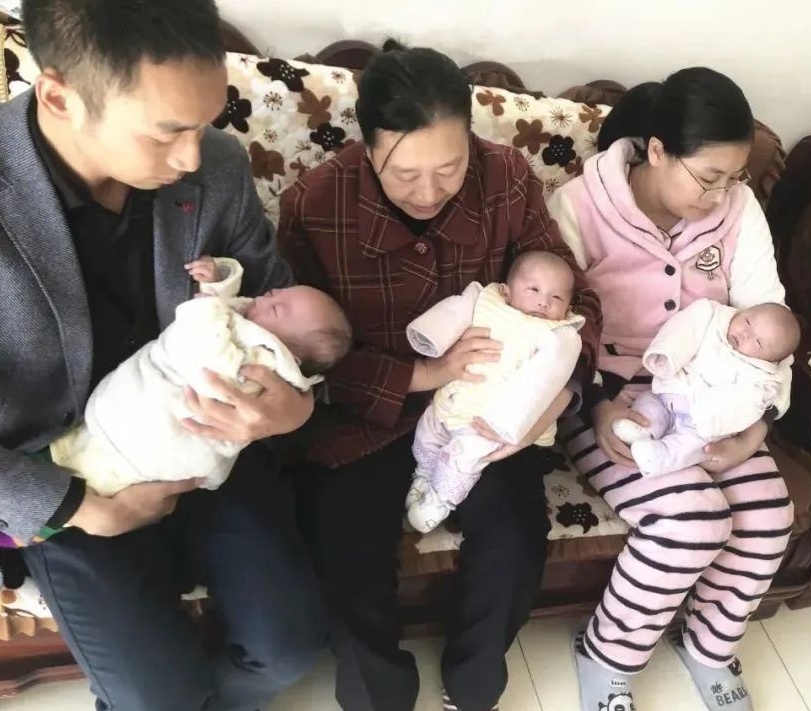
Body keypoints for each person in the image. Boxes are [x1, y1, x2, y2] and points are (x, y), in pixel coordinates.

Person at [0, 1, 328, 708]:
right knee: (157, 698)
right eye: (167, 131)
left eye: (204, 123)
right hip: (69, 469)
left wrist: (295, 407)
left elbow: (276, 300)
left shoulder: (215, 164)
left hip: (206, 440)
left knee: (289, 651)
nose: (192, 158)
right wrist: (82, 508)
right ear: (58, 96)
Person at [276, 41, 601, 711]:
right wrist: (423, 372)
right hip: (364, 416)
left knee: (514, 534)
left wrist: (555, 399)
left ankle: (472, 685)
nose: (428, 192)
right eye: (404, 174)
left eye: (449, 169)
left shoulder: (506, 177)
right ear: (368, 149)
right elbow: (297, 357)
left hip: (483, 408)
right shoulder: (315, 203)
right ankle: (380, 698)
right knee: (344, 549)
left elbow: (578, 300)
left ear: (471, 142)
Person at [547, 68, 796, 711]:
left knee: (769, 516)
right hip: (610, 394)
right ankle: (605, 655)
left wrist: (759, 425)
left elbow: (769, 312)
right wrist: (598, 405)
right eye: (708, 177)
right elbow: (555, 328)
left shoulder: (739, 208)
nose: (721, 195)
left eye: (734, 177)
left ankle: (707, 646)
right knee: (690, 521)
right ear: (657, 150)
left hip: (720, 390)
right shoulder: (578, 206)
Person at [51, 256, 352, 497]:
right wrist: (219, 282)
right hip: (119, 416)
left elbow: (205, 352)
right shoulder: (257, 330)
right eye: (280, 293)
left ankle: (48, 515)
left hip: (154, 436)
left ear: (288, 354)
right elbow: (231, 312)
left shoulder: (260, 362)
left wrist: (208, 300)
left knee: (90, 473)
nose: (269, 294)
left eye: (276, 308)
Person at [405, 251, 586, 533]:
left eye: (556, 298)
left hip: (490, 420)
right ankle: (424, 474)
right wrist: (431, 337)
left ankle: (440, 500)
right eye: (534, 290)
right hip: (453, 398)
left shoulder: (559, 335)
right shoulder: (486, 299)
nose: (544, 302)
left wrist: (512, 424)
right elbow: (455, 312)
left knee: (466, 456)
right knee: (428, 429)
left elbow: (545, 380)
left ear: (568, 307)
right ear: (506, 290)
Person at [613, 300, 799, 477]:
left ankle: (660, 456)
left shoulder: (762, 379)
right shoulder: (712, 316)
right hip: (670, 391)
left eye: (758, 342)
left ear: (769, 360)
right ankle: (643, 429)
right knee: (649, 402)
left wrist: (708, 415)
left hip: (701, 422)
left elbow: (745, 404)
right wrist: (667, 356)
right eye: (747, 321)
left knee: (695, 445)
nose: (745, 334)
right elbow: (685, 330)